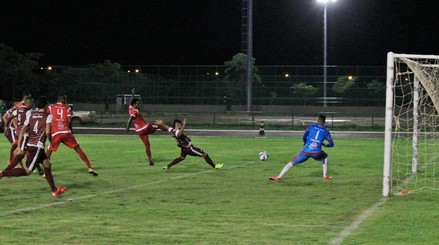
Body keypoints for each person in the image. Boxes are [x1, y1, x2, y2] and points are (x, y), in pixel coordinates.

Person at [0, 96, 67, 197]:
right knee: (27, 171)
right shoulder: (48, 116)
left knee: (47, 165)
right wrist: (51, 141)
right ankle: (3, 173)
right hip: (37, 147)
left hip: (31, 144)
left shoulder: (32, 114)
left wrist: (19, 145)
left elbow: (22, 130)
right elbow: (48, 131)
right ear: (46, 105)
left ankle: (54, 191)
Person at [269, 114, 334, 181]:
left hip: (305, 151)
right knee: (325, 157)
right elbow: (331, 144)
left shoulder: (311, 126)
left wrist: (306, 143)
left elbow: (304, 137)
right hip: (316, 153)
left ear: (317, 120)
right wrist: (325, 145)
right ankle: (324, 176)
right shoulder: (326, 131)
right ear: (324, 122)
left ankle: (279, 177)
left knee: (292, 162)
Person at [46, 95, 98, 176]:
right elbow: (69, 120)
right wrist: (70, 131)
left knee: (49, 151)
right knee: (77, 148)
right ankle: (89, 167)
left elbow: (46, 116)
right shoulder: (67, 108)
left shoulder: (50, 107)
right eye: (65, 100)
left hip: (56, 133)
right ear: (63, 100)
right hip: (66, 132)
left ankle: (46, 172)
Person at [157, 118, 223, 170]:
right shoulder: (177, 131)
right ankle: (215, 166)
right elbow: (179, 134)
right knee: (205, 155)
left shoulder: (171, 130)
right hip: (189, 148)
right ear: (177, 124)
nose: (181, 125)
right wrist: (184, 125)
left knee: (181, 158)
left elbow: (166, 127)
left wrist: (162, 123)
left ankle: (167, 166)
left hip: (183, 148)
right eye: (180, 124)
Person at [125, 88, 165, 166]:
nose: (139, 105)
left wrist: (132, 94)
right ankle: (174, 131)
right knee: (159, 124)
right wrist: (127, 127)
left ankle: (150, 160)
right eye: (138, 104)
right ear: (134, 105)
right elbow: (130, 119)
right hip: (146, 127)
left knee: (147, 145)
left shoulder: (130, 108)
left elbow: (130, 102)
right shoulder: (135, 111)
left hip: (139, 131)